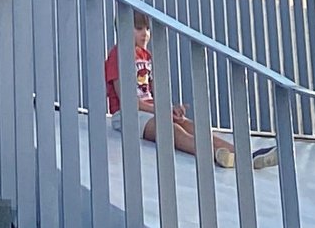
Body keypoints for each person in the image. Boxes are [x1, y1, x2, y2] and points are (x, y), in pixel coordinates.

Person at [103, 14, 272, 167]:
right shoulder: (117, 56)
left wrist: (171, 108)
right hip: (127, 115)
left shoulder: (146, 56)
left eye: (147, 29)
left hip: (151, 111)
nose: (145, 34)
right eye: (139, 29)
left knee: (188, 124)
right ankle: (214, 154)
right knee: (171, 130)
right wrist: (162, 111)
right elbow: (128, 100)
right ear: (124, 29)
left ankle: (244, 156)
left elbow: (154, 92)